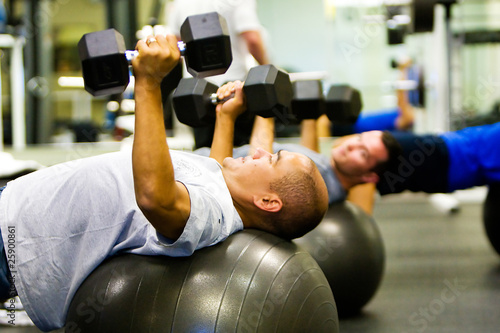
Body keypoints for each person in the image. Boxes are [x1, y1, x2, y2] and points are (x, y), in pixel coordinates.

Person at [0, 35, 328, 331]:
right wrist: (226, 117)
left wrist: (149, 82)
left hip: (11, 240)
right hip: (12, 205)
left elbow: (157, 199)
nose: (258, 152)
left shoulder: (213, 215)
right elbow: (211, 170)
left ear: (268, 202)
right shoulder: (220, 195)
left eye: (270, 159)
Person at [165, 0, 271, 148]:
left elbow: (175, 44)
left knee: (205, 155)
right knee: (240, 154)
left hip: (195, 89)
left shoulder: (179, 2)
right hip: (232, 88)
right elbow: (252, 39)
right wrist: (268, 71)